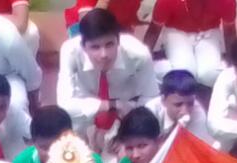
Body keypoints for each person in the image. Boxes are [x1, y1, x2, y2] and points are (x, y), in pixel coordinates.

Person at [55, 9, 159, 148]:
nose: (104, 54)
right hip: (87, 98)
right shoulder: (70, 51)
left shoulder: (139, 54)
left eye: (109, 44)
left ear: (118, 40)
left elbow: (151, 98)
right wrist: (111, 105)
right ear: (83, 47)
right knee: (72, 142)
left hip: (127, 104)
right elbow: (64, 104)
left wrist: (129, 127)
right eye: (95, 47)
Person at [144, 0, 233, 88]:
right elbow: (154, 30)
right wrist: (144, 59)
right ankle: (158, 67)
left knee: (209, 76)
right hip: (176, 32)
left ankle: (211, 68)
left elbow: (229, 32)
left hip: (209, 32)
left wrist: (233, 63)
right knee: (185, 75)